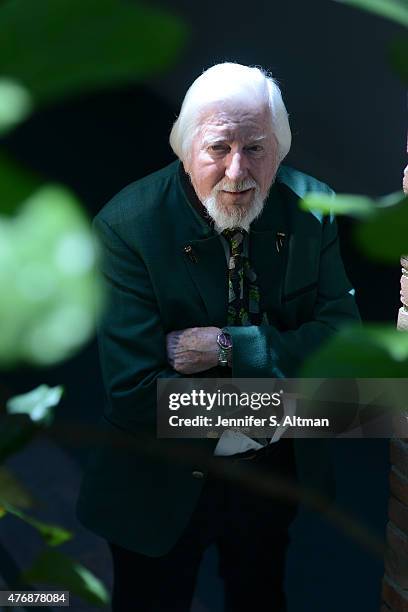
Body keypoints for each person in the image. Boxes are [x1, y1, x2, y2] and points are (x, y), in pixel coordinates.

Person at [77, 62, 360, 611]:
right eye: (217, 148)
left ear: (279, 149)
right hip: (158, 483)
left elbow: (345, 352)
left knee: (259, 595)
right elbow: (140, 399)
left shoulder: (313, 210)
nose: (237, 172)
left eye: (255, 148)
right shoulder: (126, 227)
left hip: (272, 479)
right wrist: (288, 407)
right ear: (185, 150)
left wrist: (234, 345)